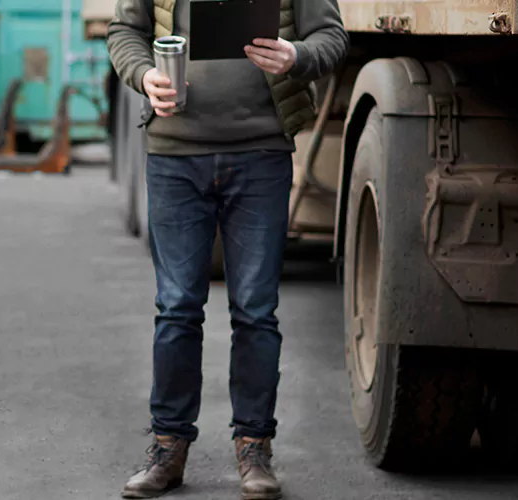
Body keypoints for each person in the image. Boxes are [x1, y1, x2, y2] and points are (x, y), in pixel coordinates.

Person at [106, 0, 347, 497]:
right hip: (174, 156)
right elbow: (124, 31)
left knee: (256, 310)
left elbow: (332, 39)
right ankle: (168, 449)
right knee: (176, 309)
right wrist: (144, 74)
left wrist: (296, 56)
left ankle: (254, 447)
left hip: (261, 153)